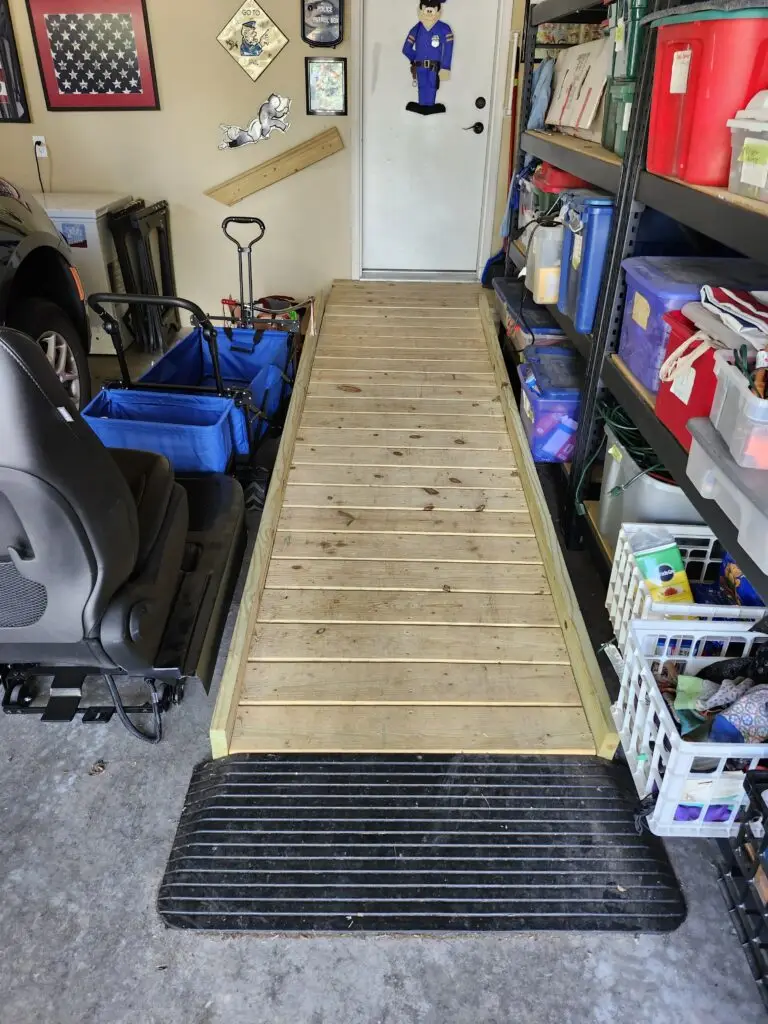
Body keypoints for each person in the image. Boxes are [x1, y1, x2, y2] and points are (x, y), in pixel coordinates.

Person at [402, 0, 454, 115]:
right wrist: (415, 58)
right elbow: (406, 48)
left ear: (438, 9)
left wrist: (445, 67)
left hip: (434, 66)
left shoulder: (444, 28)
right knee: (422, 85)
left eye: (433, 7)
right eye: (426, 6)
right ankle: (422, 106)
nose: (429, 10)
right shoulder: (417, 28)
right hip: (420, 66)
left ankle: (430, 105)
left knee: (431, 85)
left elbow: (448, 49)